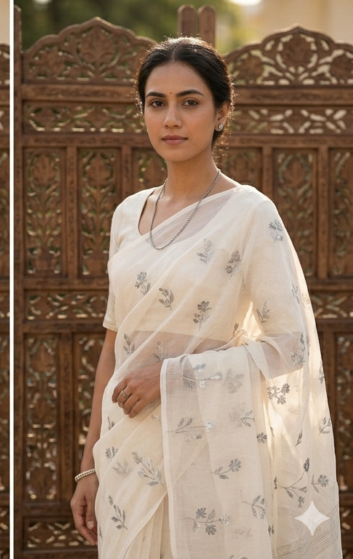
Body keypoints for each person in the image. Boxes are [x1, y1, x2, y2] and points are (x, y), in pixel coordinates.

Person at [70, 37, 341, 557]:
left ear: (221, 113)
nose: (171, 119)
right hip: (128, 454)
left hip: (214, 454)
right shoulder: (128, 215)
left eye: (189, 102)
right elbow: (113, 349)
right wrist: (90, 465)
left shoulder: (249, 214)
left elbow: (290, 345)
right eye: (157, 103)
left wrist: (171, 377)